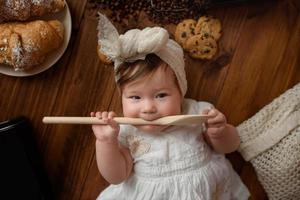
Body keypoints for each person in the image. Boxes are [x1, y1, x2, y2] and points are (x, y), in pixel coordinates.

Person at [91, 13, 250, 200]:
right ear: (122, 98)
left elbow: (231, 146)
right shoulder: (124, 130)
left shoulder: (198, 113)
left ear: (180, 93)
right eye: (135, 97)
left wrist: (219, 132)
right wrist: (106, 143)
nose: (148, 107)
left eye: (161, 95)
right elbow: (117, 177)